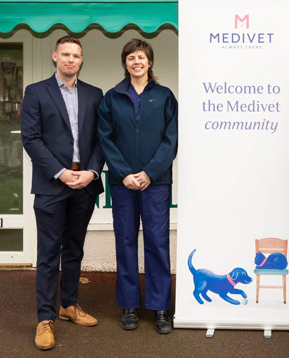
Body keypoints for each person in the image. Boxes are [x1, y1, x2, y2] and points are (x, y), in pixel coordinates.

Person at [21, 36, 105, 350]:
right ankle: (45, 318)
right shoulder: (36, 92)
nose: (71, 60)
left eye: (76, 55)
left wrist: (91, 172)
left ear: (81, 60)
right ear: (54, 56)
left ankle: (69, 305)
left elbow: (102, 139)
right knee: (48, 253)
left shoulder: (94, 94)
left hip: (84, 183)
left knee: (74, 249)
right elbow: (31, 139)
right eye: (66, 54)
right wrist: (61, 172)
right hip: (51, 185)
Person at [98, 39, 178, 335]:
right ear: (125, 63)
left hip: (155, 183)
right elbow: (105, 138)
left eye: (141, 57)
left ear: (149, 62)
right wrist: (123, 174)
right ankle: (129, 305)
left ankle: (160, 308)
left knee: (157, 242)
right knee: (126, 242)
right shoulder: (112, 97)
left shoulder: (164, 96)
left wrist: (150, 173)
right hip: (123, 184)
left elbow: (171, 138)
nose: (137, 62)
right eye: (131, 57)